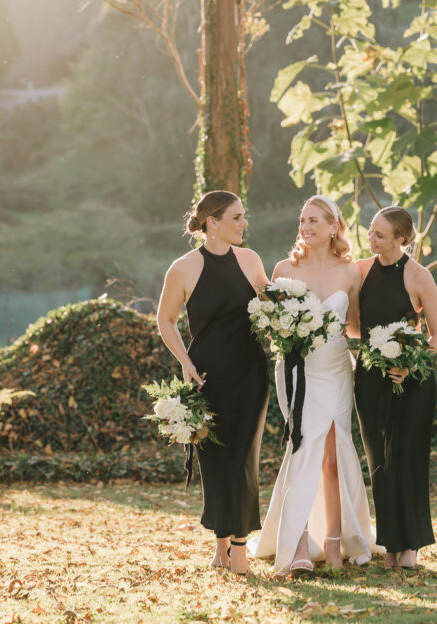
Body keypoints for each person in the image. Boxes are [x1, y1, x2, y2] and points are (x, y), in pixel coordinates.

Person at [249, 195, 378, 576]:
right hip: (297, 372)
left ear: (334, 226)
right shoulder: (285, 268)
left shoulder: (350, 272)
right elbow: (274, 326)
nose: (305, 227)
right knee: (302, 448)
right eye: (302, 220)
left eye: (314, 221)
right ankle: (299, 541)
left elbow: (354, 326)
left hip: (337, 367)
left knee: (334, 457)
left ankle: (336, 541)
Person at [155, 190, 270, 576]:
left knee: (242, 457)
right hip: (207, 377)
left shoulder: (251, 260)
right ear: (212, 222)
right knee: (216, 461)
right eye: (236, 217)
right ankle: (221, 545)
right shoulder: (183, 268)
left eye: (243, 216)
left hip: (252, 374)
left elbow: (272, 308)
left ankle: (238, 548)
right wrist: (185, 364)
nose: (243, 223)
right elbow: (165, 320)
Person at [354, 206, 437, 569]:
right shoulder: (361, 270)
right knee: (379, 462)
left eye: (379, 234)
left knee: (408, 459)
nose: (371, 238)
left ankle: (411, 547)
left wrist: (409, 363)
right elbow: (354, 327)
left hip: (413, 381)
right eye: (371, 231)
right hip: (370, 379)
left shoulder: (419, 276)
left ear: (401, 239)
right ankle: (390, 545)